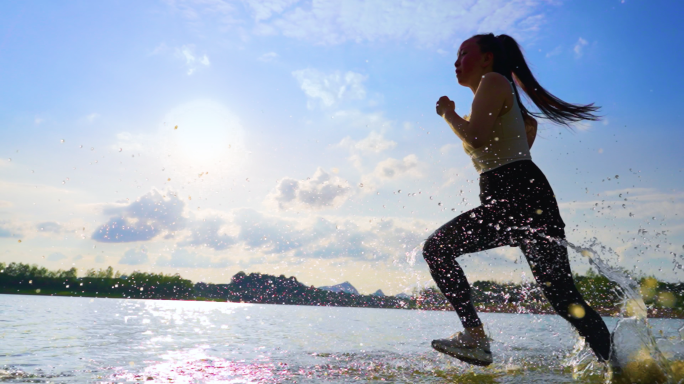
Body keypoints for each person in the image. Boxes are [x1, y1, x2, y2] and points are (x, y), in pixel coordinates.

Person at [423, 33, 611, 367]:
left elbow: (478, 138)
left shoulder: (493, 81)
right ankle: (621, 367)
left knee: (436, 249)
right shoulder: (498, 92)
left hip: (514, 196)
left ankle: (475, 337)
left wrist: (447, 114)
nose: (456, 62)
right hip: (525, 195)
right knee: (564, 298)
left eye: (463, 53)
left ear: (487, 58)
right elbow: (516, 140)